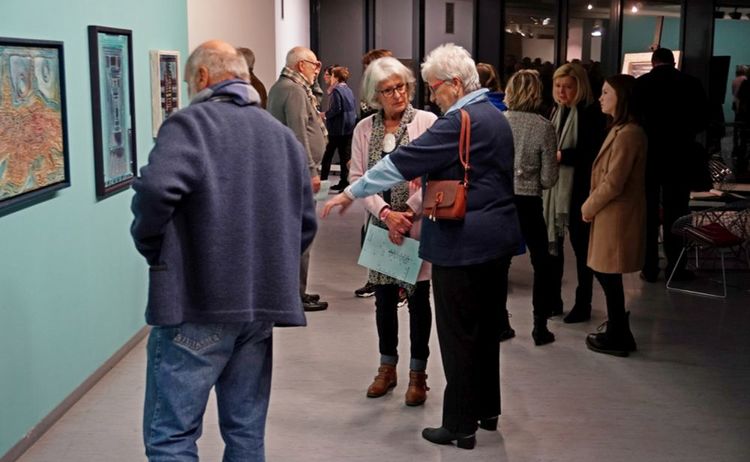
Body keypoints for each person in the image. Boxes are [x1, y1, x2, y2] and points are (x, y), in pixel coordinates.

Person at [322, 43, 521, 450]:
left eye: (433, 87)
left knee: (457, 335)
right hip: (498, 241)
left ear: (453, 83)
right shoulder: (496, 116)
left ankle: (459, 425)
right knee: (484, 331)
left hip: (462, 243)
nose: (432, 95)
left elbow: (401, 162)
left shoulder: (456, 121)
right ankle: (486, 410)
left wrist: (349, 193)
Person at [130, 40, 317, 461]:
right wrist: (270, 266)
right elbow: (305, 224)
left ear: (201, 78)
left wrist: (155, 248)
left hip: (197, 304)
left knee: (171, 436)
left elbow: (156, 192)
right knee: (246, 432)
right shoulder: (281, 136)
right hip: (258, 309)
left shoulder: (189, 126)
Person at [349, 56, 437, 405]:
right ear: (376, 95)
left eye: (401, 86)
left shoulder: (428, 122)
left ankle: (419, 374)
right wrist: (385, 213)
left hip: (416, 227)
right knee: (384, 301)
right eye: (388, 90)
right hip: (381, 228)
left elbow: (436, 174)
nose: (397, 94)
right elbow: (358, 179)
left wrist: (407, 211)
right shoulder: (364, 130)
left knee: (419, 301)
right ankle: (387, 368)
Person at [582, 74, 646, 357]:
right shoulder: (621, 130)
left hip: (616, 215)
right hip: (612, 214)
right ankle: (619, 330)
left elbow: (613, 182)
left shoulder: (629, 134)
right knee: (606, 273)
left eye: (606, 92)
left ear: (621, 98)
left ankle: (619, 333)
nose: (600, 97)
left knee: (608, 273)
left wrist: (588, 207)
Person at [634, 48, 709, 283]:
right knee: (677, 212)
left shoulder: (642, 84)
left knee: (647, 213)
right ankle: (677, 268)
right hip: (679, 156)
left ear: (653, 62)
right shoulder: (691, 83)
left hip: (650, 156)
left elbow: (635, 119)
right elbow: (702, 119)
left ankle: (649, 267)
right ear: (674, 62)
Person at [543, 62, 607, 324]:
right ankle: (553, 300)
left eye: (568, 87)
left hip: (580, 190)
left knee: (583, 252)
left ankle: (583, 303)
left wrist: (561, 156)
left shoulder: (591, 114)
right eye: (558, 86)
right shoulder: (555, 111)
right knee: (553, 247)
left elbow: (593, 154)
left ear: (579, 87)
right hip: (555, 190)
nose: (562, 91)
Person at [268, 46, 329, 311]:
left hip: (289, 172)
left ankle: (296, 292)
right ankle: (294, 296)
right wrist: (311, 171)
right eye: (315, 65)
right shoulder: (293, 90)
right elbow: (298, 135)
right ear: (301, 65)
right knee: (300, 234)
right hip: (297, 174)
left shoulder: (287, 87)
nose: (318, 70)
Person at [503, 69, 559, 345]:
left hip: (500, 200)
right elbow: (549, 179)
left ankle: (500, 322)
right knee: (542, 263)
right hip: (529, 201)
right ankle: (540, 326)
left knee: (500, 262)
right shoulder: (544, 126)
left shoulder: (499, 122)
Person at [354, 48, 395, 299]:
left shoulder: (389, 92)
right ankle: (377, 280)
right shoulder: (369, 93)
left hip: (389, 170)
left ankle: (394, 282)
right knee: (372, 226)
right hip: (372, 170)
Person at [321, 65, 357, 191]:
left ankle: (323, 184)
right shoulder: (348, 90)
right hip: (348, 128)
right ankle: (344, 182)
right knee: (344, 157)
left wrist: (324, 114)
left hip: (337, 129)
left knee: (327, 156)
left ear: (335, 77)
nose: (327, 78)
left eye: (330, 75)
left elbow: (336, 109)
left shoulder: (336, 91)